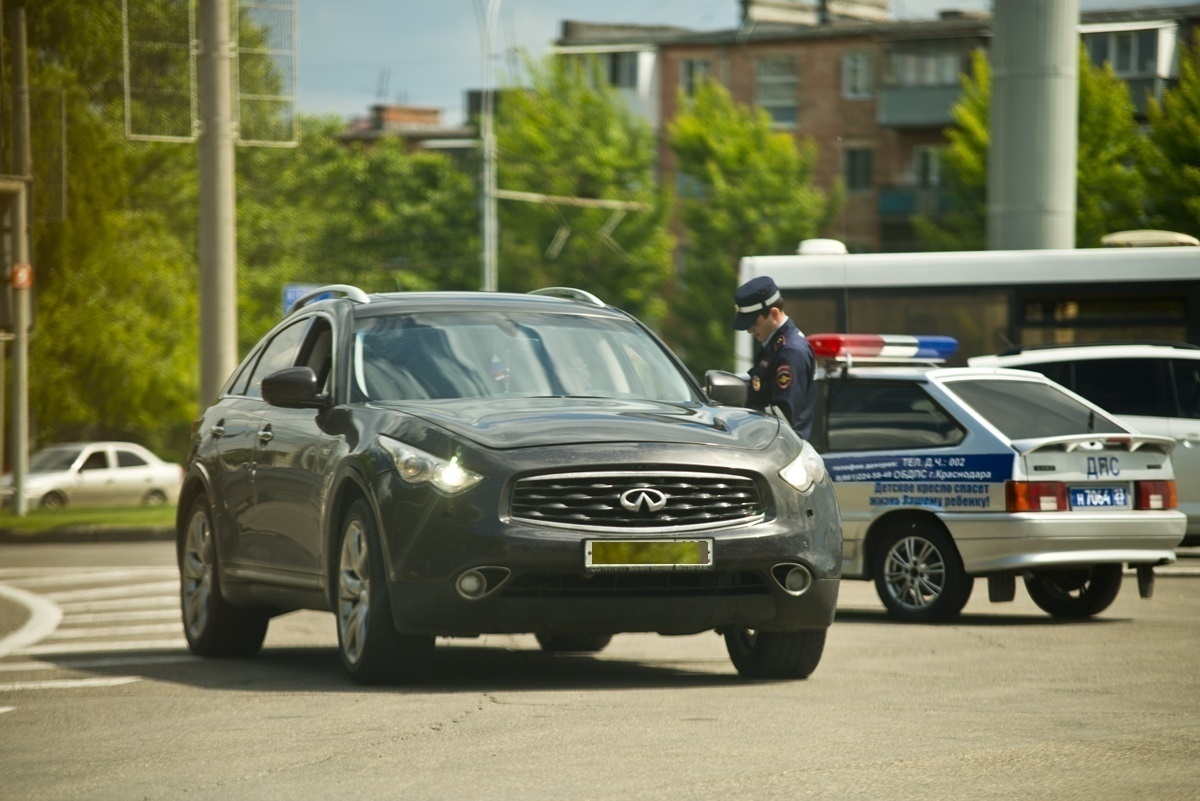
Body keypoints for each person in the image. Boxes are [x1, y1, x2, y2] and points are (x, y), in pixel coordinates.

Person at [731, 275, 817, 441]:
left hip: (780, 448)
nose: (749, 330)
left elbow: (783, 417)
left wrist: (738, 416)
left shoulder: (789, 352)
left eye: (753, 322)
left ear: (774, 313)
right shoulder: (774, 345)